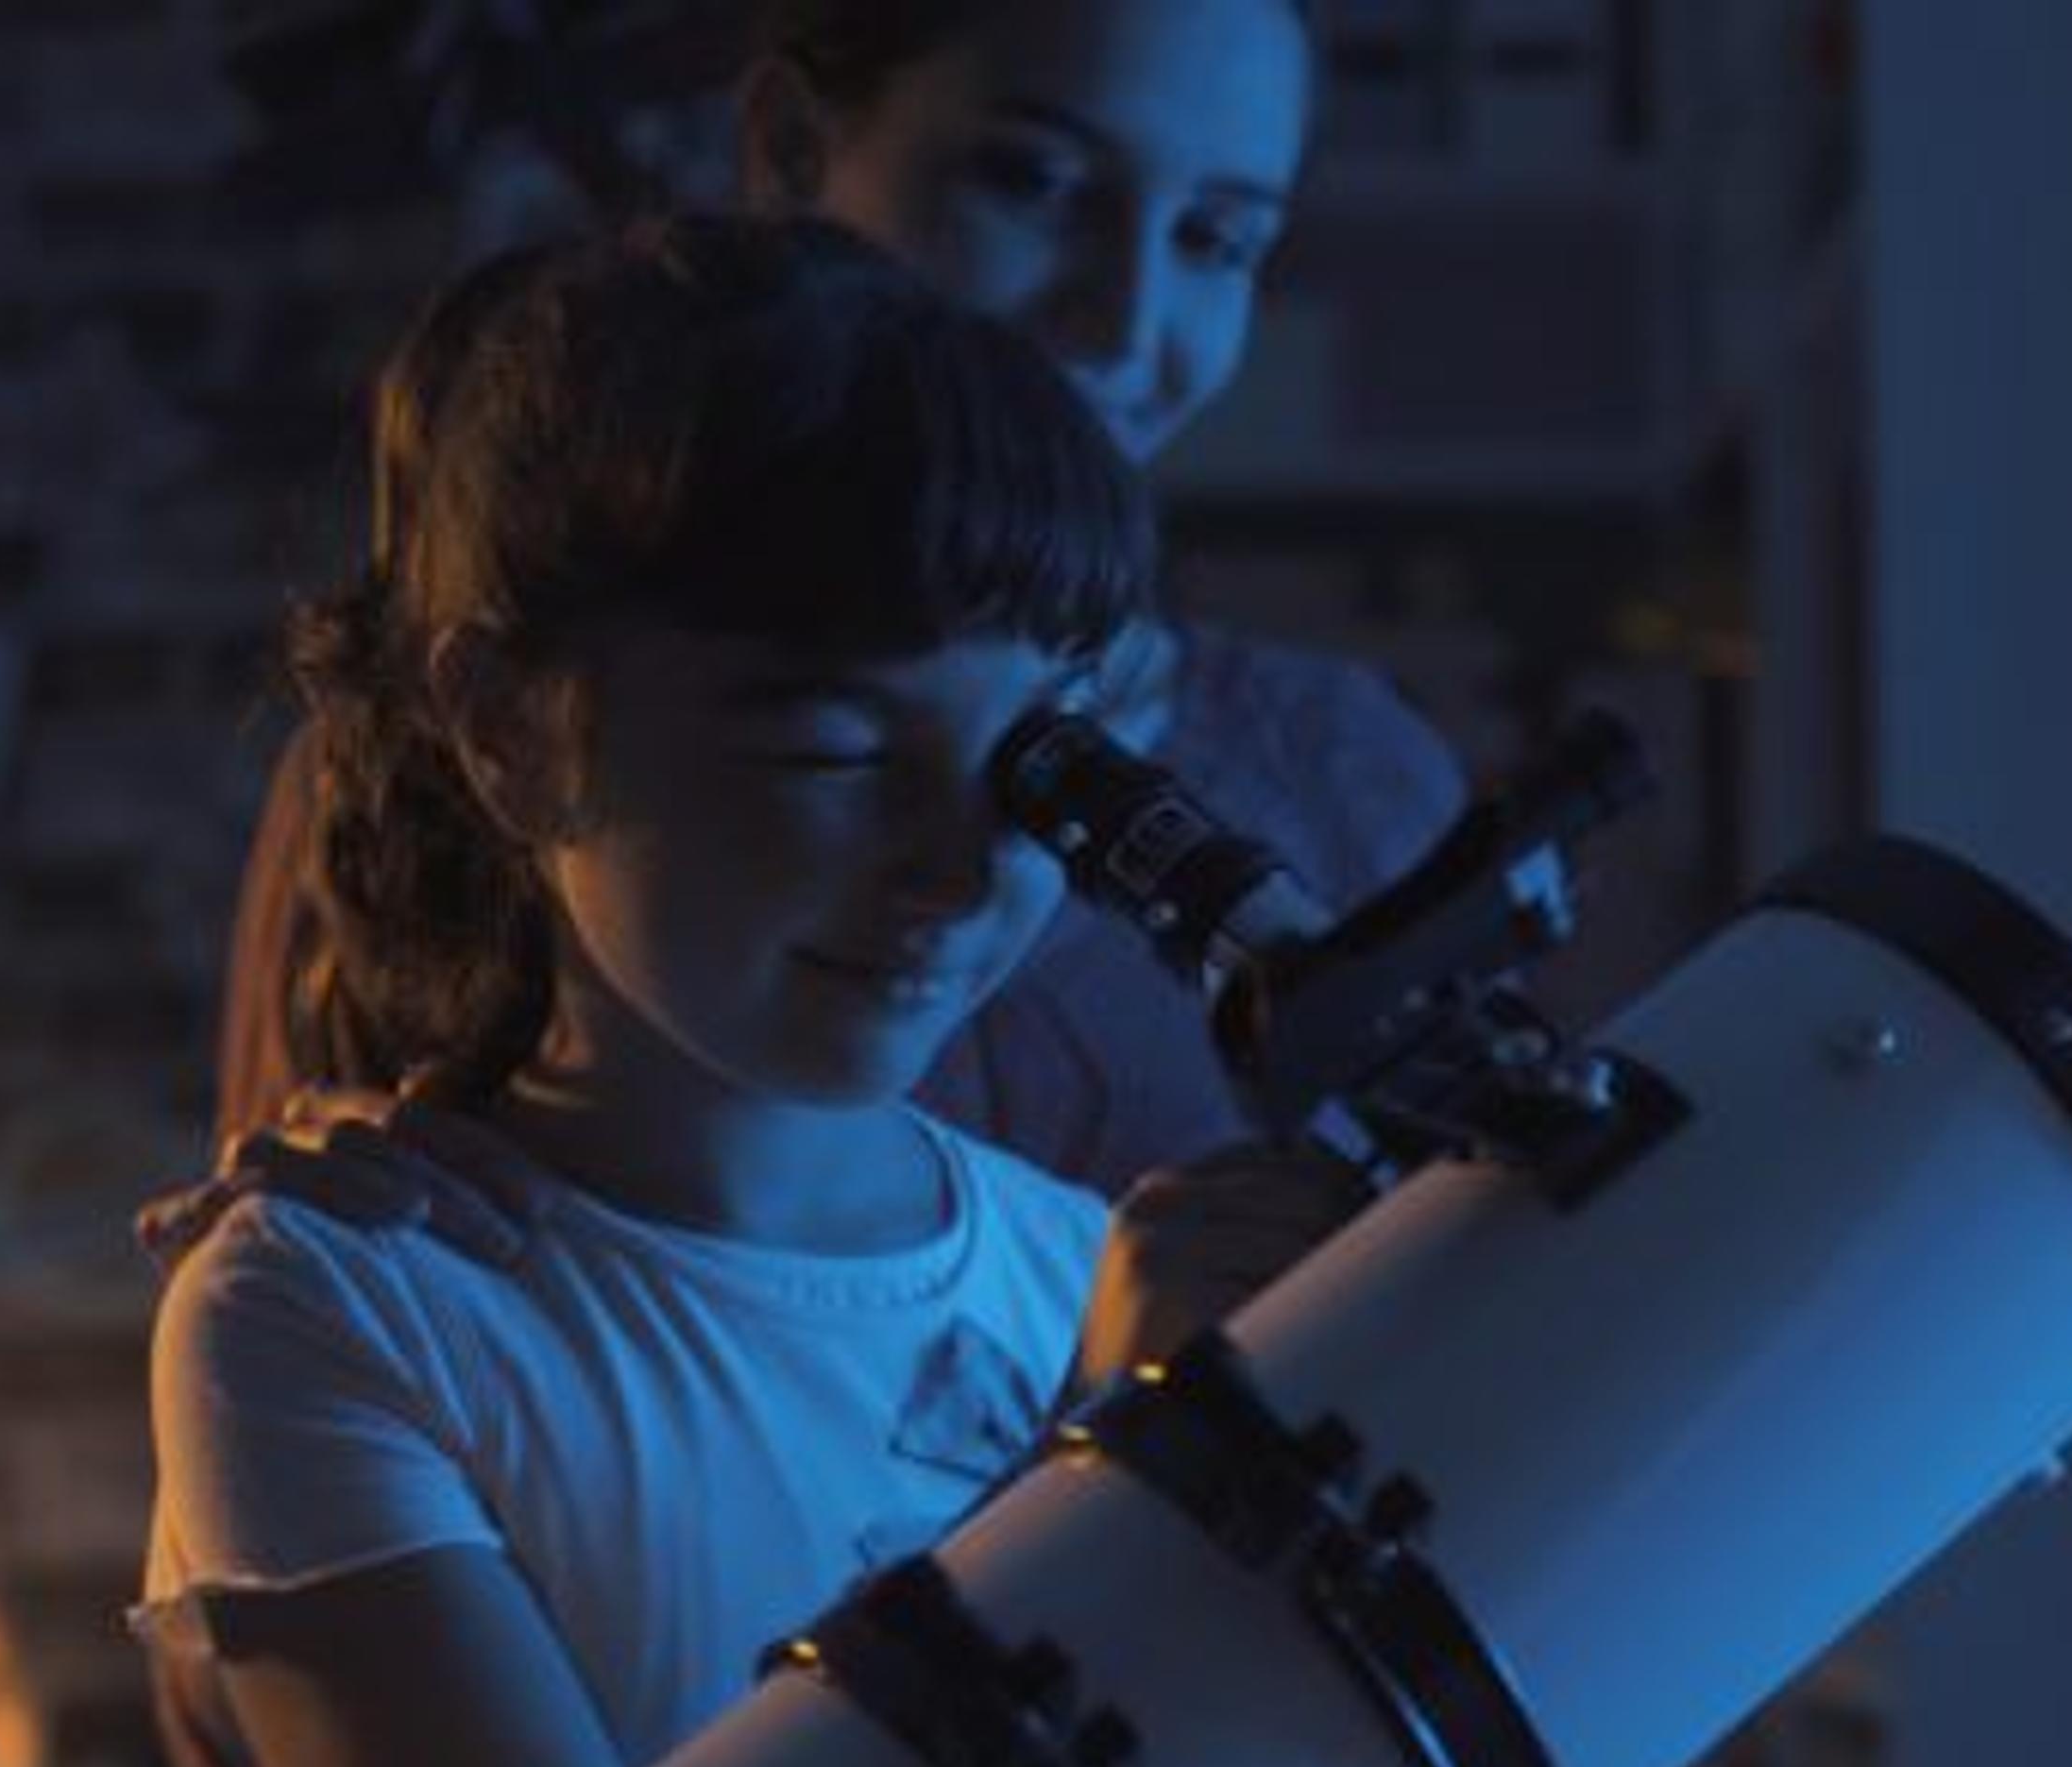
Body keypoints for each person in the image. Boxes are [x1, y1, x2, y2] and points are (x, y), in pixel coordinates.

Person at [138, 214, 1352, 1767]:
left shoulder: (1084, 1273)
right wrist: (1106, 1499)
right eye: (836, 756)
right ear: (508, 727)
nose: (956, 870)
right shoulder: (349, 1317)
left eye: (1032, 763)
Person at [212, 0, 1473, 1198]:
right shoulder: (443, 766)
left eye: (1216, 239)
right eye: (1031, 182)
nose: (1128, 317)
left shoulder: (1346, 787)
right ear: (793, 147)